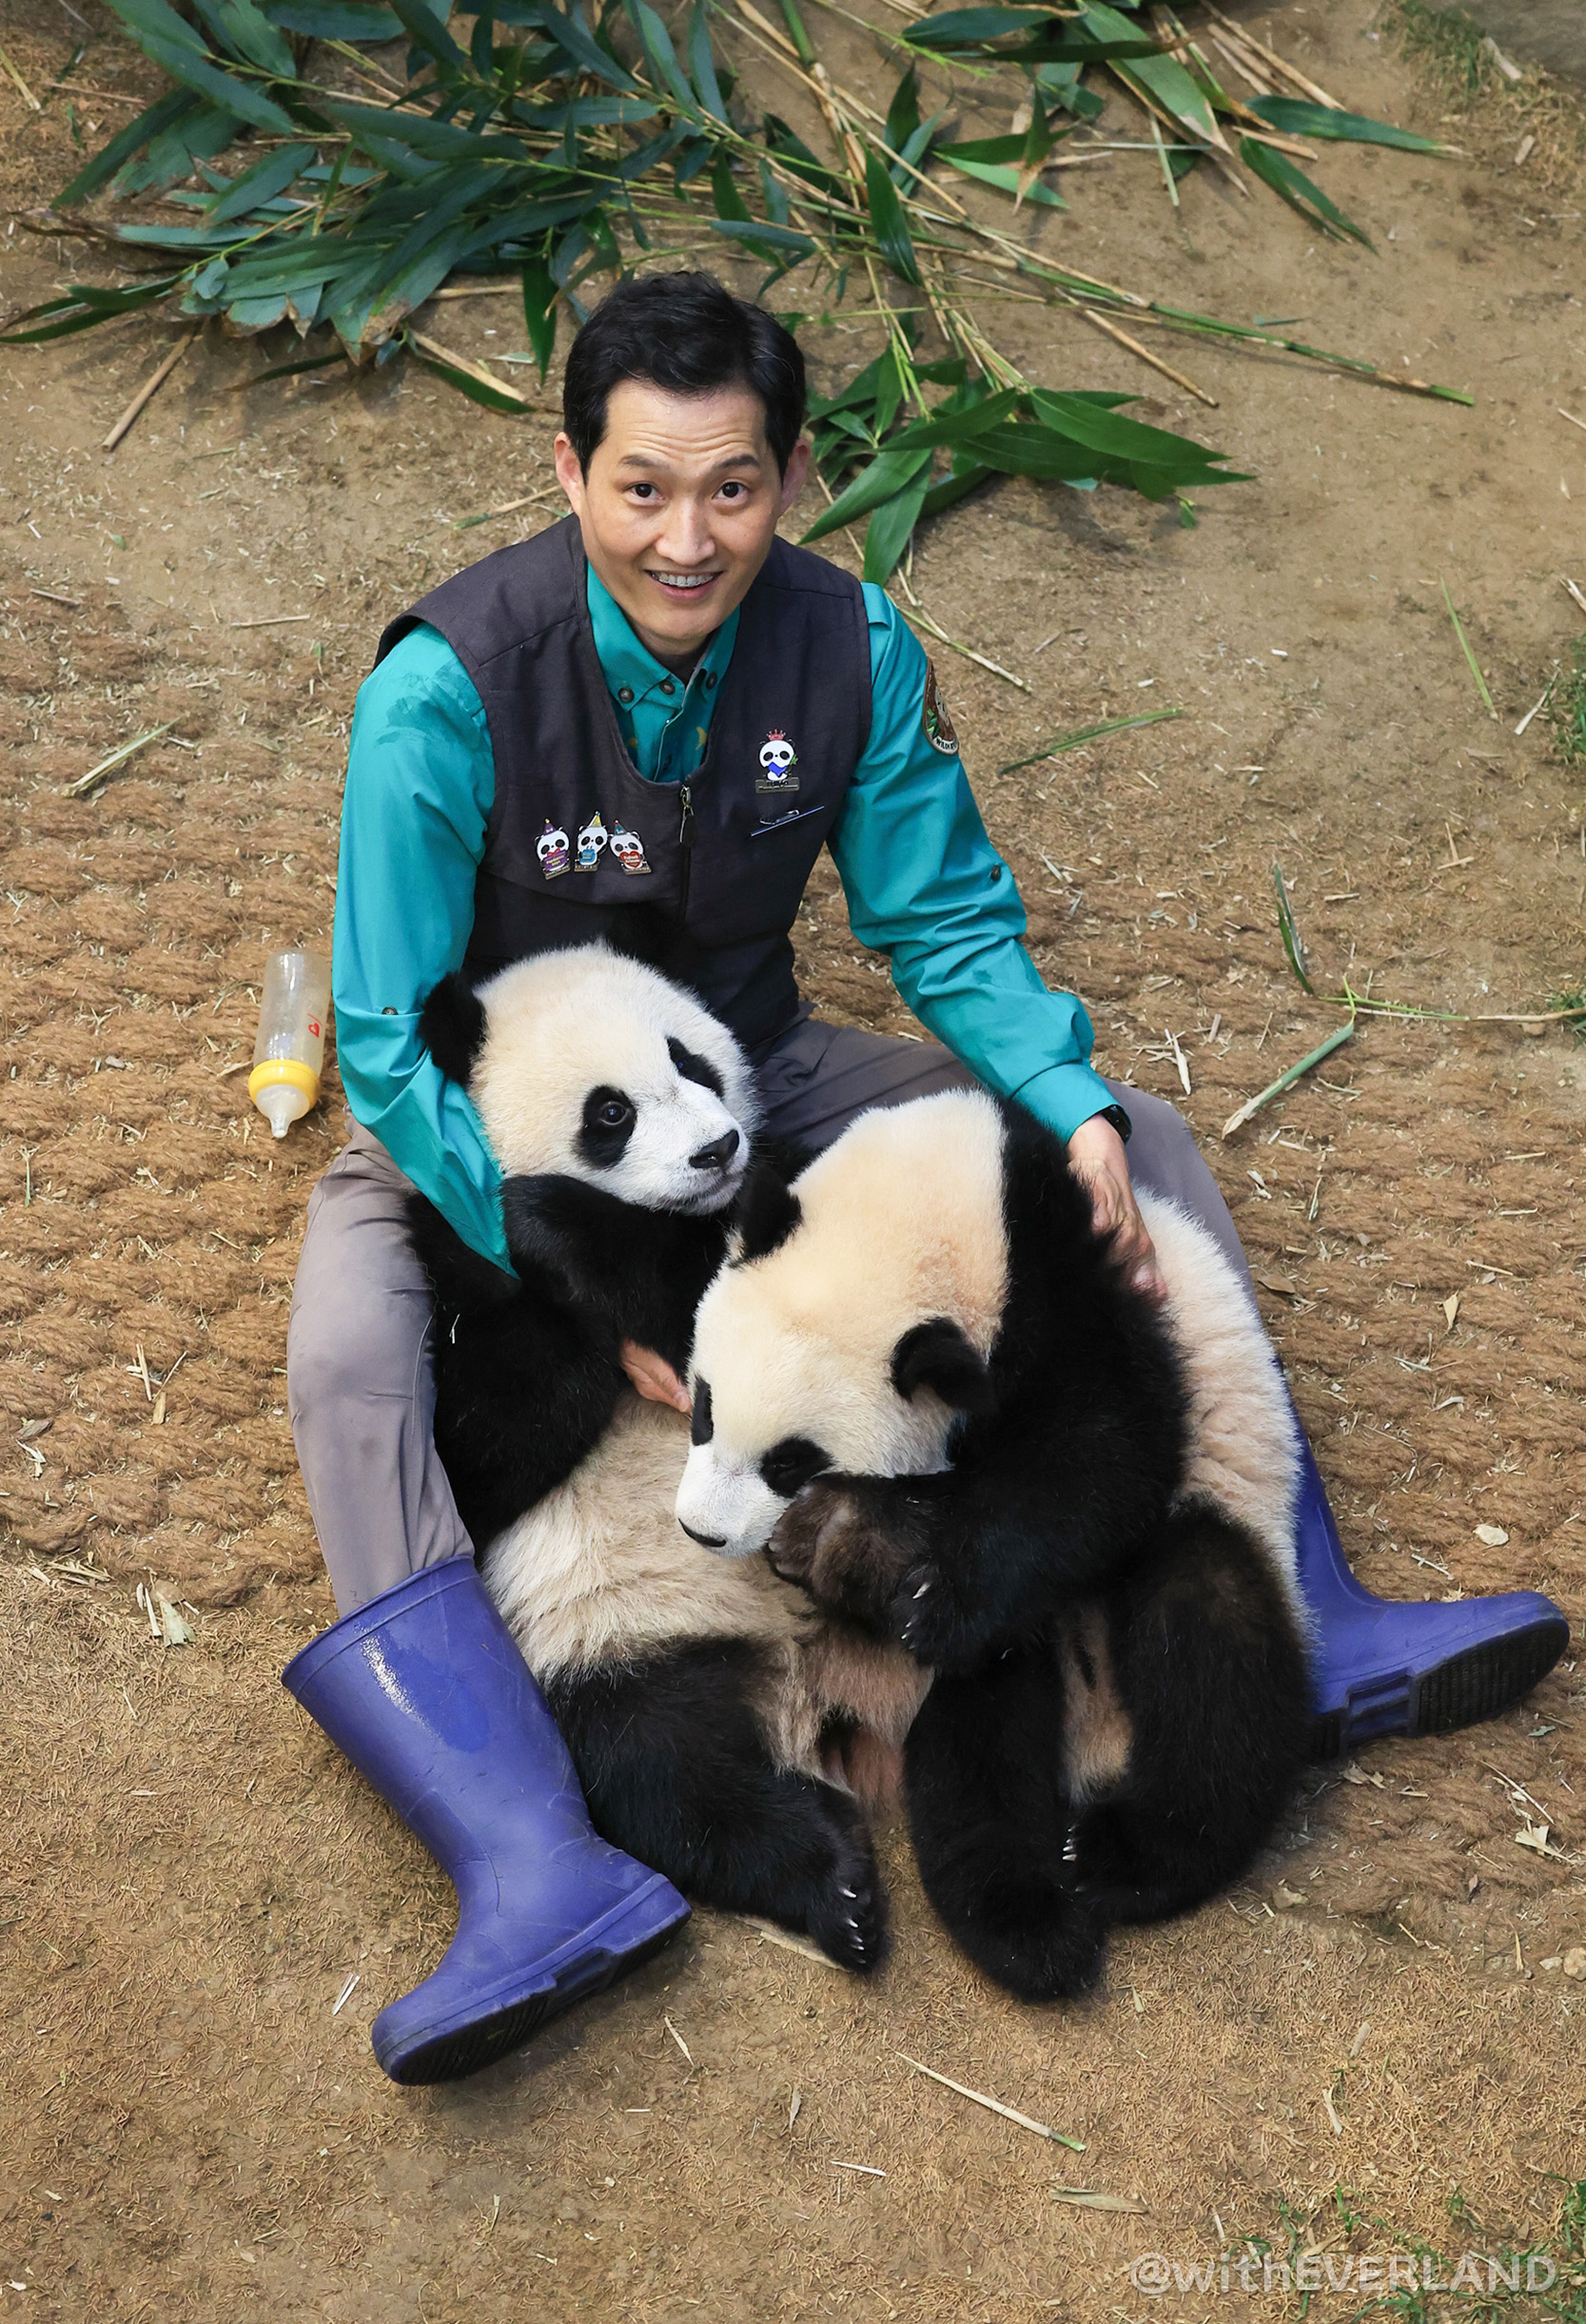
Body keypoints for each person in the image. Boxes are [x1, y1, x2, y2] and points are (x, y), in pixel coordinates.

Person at [283, 273, 1568, 2084]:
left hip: (747, 1065)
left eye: (731, 487)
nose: (686, 537)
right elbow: (380, 1037)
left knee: (1135, 1144)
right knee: (349, 1356)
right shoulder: (444, 692)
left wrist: (1067, 1102)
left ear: (794, 477)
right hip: (485, 1124)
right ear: (567, 474)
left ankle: (1312, 1620)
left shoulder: (852, 648)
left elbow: (944, 921)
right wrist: (568, 1280)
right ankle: (522, 1858)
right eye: (642, 487)